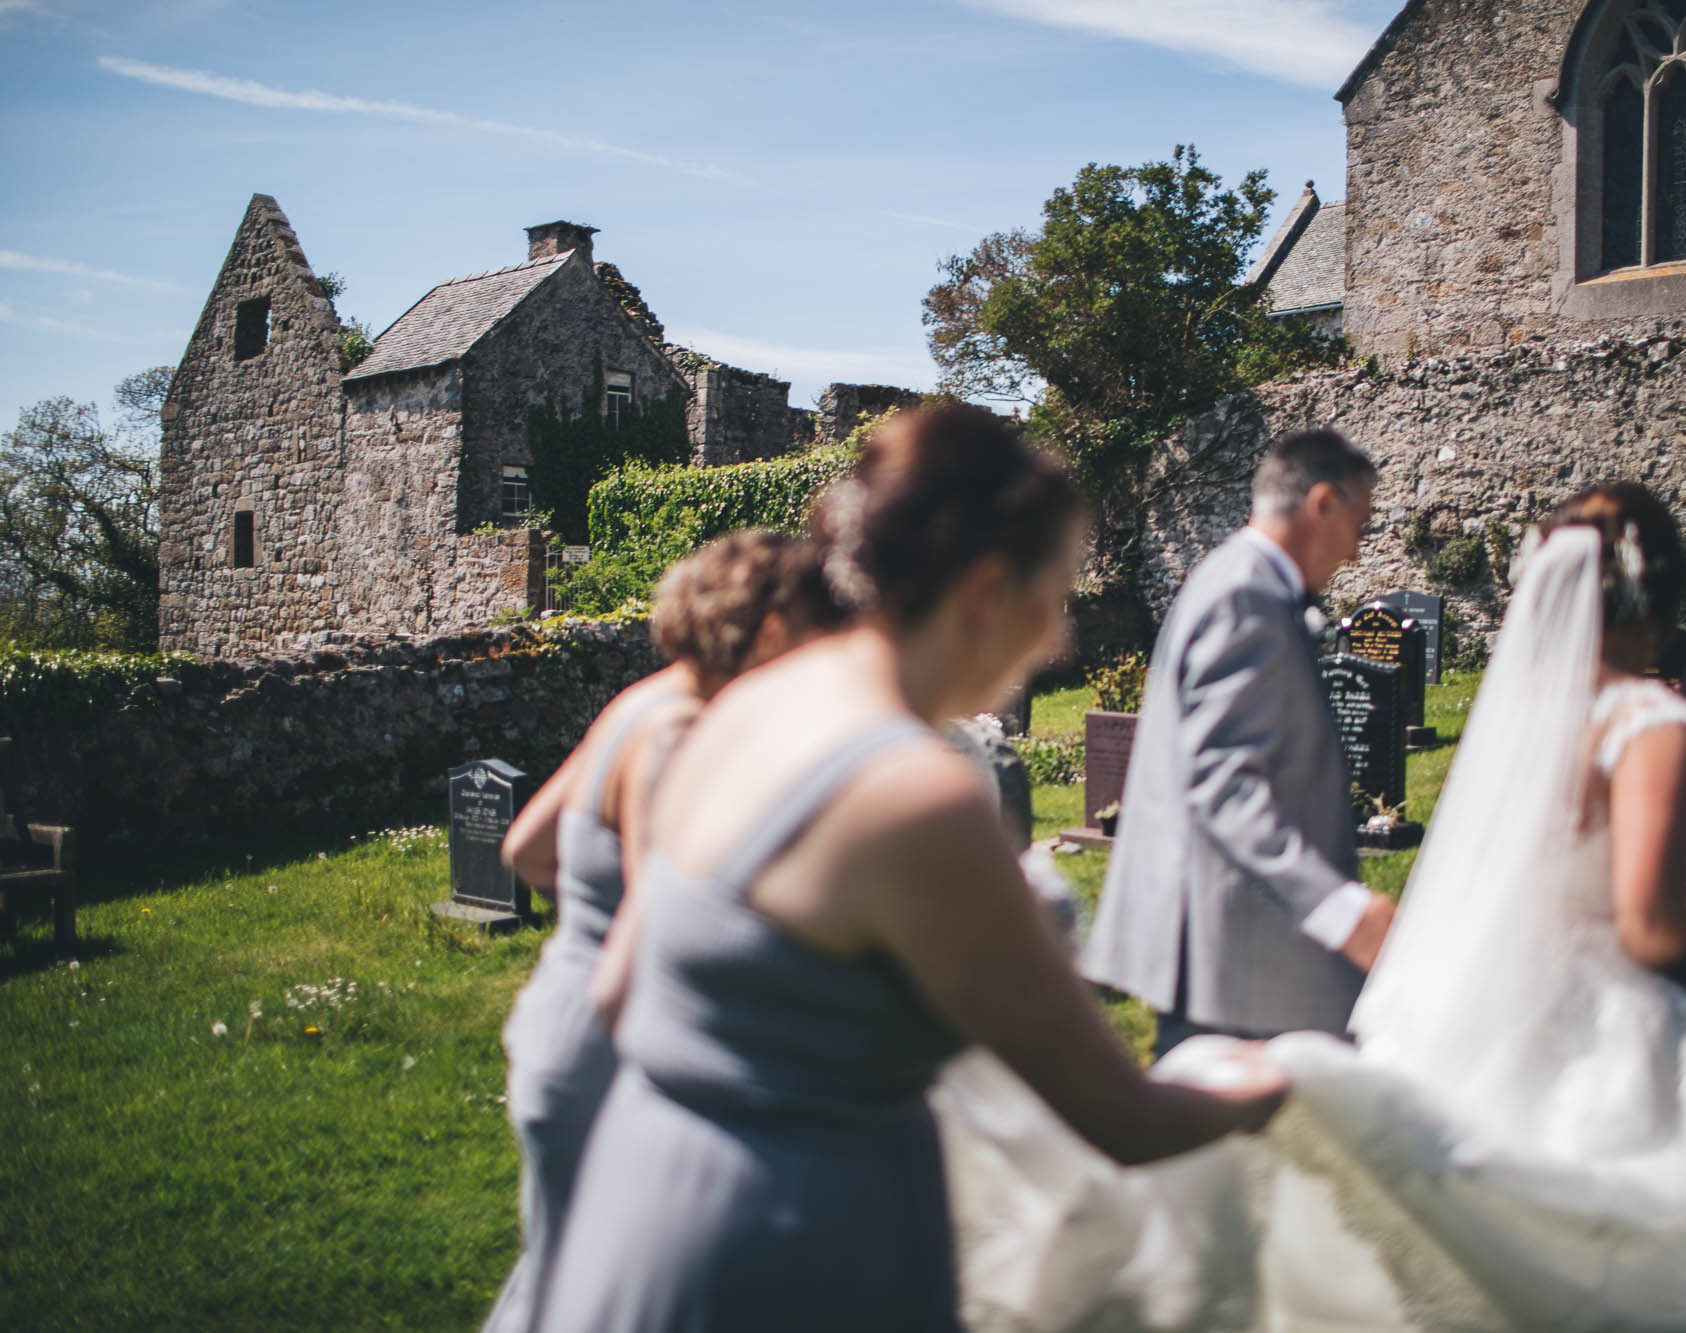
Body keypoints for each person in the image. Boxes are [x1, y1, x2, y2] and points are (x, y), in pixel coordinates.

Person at [943, 482, 1686, 1331]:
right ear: (1664, 595)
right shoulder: (1649, 716)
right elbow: (1648, 926)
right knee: (1658, 1236)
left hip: (1492, 994)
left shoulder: (1527, 715)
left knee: (1461, 1215)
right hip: (1599, 1008)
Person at [536, 406, 1289, 1333]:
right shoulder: (913, 792)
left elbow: (619, 991)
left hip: (639, 1198)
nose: (1057, 640)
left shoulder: (739, 703)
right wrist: (1272, 1083)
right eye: (1052, 594)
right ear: (983, 590)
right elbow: (1123, 1118)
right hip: (793, 1246)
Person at [481, 531, 843, 1333]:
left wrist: (592, 913)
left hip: (553, 1020)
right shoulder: (682, 732)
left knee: (561, 1279)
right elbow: (663, 939)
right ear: (775, 630)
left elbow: (526, 848)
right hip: (610, 1047)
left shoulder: (639, 699)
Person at [1081, 427, 1397, 1056]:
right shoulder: (1246, 596)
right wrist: (1339, 910)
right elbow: (1222, 785)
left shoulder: (1237, 578)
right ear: (1323, 504)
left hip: (1231, 950)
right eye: (1360, 526)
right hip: (1228, 958)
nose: (1358, 553)